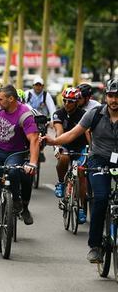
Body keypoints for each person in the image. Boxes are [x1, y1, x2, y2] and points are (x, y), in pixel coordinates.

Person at [43, 79, 118, 263]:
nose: (114, 100)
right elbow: (73, 133)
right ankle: (95, 246)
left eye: (117, 96)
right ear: (105, 96)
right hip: (99, 160)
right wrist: (54, 141)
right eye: (111, 96)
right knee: (100, 198)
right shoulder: (95, 114)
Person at [0, 85, 39, 244]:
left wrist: (32, 163)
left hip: (16, 153)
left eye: (0, 98)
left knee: (13, 171)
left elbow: (34, 140)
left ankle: (17, 199)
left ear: (11, 99)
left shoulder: (25, 114)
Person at [51, 88, 88, 224]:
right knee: (64, 158)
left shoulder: (84, 114)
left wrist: (93, 150)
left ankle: (82, 208)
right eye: (65, 100)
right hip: (65, 145)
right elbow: (59, 131)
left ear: (77, 102)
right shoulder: (58, 113)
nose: (67, 103)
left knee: (81, 175)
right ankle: (61, 183)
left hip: (81, 147)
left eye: (70, 101)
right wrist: (58, 146)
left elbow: (88, 133)